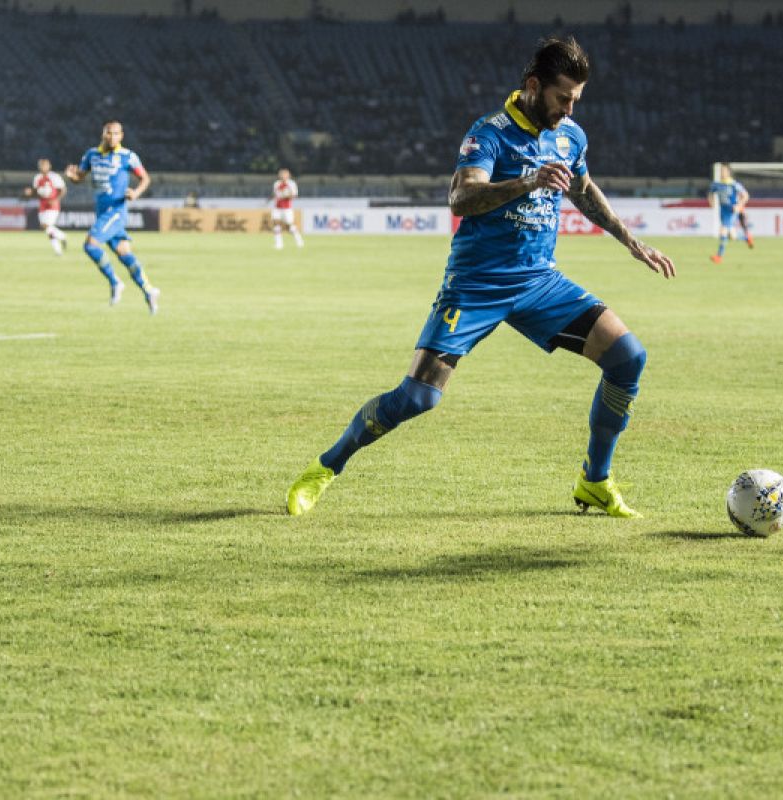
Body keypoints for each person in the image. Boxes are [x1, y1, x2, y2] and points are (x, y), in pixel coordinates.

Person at [287, 36, 676, 518]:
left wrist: (631, 241)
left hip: (539, 282)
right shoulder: (488, 134)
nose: (570, 108)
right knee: (418, 397)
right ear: (533, 86)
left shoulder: (569, 135)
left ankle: (595, 481)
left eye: (576, 99)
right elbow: (462, 199)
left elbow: (583, 188)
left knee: (627, 358)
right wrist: (528, 181)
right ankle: (325, 468)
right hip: (477, 283)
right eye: (562, 98)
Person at [64, 121, 160, 314]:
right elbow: (80, 177)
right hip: (102, 211)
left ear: (121, 136)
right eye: (109, 133)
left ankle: (115, 281)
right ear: (103, 134)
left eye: (116, 134)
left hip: (116, 211)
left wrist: (136, 193)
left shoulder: (127, 156)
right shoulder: (92, 155)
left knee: (90, 245)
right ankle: (149, 290)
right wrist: (71, 177)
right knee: (125, 254)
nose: (112, 137)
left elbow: (145, 178)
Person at [708, 163, 752, 263]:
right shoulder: (717, 184)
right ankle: (746, 238)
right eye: (721, 171)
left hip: (731, 211)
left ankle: (719, 257)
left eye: (724, 171)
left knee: (723, 231)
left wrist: (739, 205)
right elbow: (710, 193)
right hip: (722, 211)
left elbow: (745, 196)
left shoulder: (734, 184)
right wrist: (712, 202)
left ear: (728, 172)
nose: (722, 172)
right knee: (733, 236)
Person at [23, 158, 68, 256]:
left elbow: (63, 190)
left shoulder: (54, 177)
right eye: (41, 165)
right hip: (42, 204)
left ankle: (62, 236)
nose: (43, 167)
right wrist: (30, 192)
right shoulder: (37, 178)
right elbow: (36, 192)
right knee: (47, 229)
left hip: (52, 205)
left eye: (45, 165)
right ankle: (58, 250)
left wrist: (56, 199)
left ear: (49, 166)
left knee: (46, 226)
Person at [271, 168, 304, 249]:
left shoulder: (291, 184)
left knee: (290, 225)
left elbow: (294, 195)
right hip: (277, 207)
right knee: (276, 223)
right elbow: (275, 194)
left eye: (284, 174)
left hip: (287, 208)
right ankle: (279, 243)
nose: (282, 176)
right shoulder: (276, 184)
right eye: (281, 174)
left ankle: (299, 240)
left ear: (288, 175)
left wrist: (286, 195)